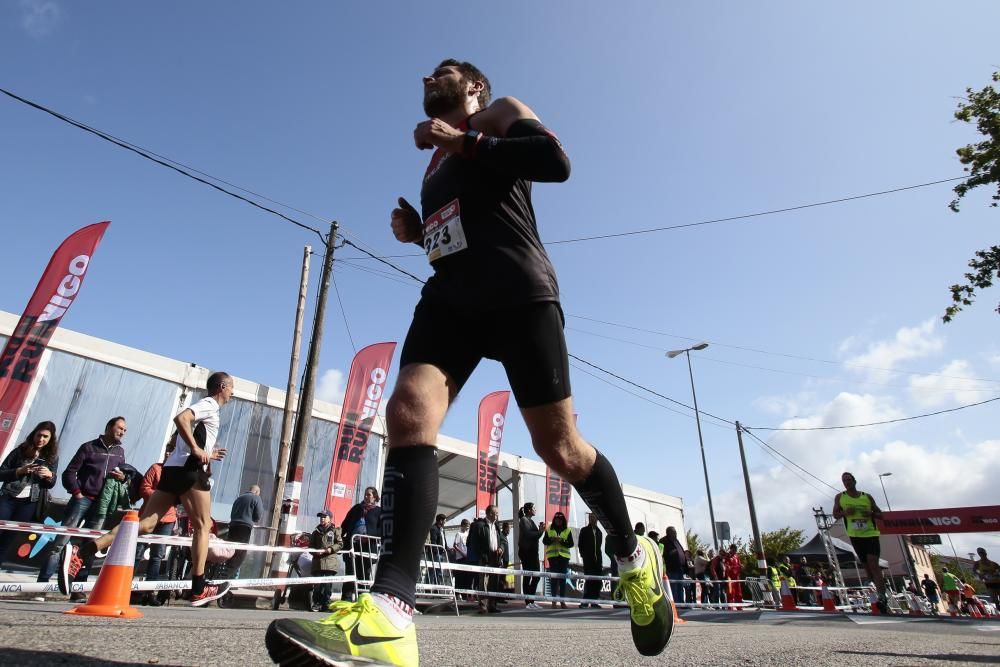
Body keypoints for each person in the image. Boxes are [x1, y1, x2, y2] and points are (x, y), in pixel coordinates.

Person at [266, 59, 673, 667]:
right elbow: (458, 228)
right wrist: (416, 232)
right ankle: (391, 616)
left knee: (559, 449)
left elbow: (554, 163)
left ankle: (633, 554)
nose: (428, 76)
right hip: (452, 299)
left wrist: (467, 140)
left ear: (474, 85)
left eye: (444, 70)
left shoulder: (500, 112)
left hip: (519, 292)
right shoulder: (433, 166)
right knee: (407, 410)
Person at [60, 372, 234, 607]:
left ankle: (80, 554)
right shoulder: (210, 404)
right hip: (189, 471)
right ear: (222, 387)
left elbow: (183, 438)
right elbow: (181, 418)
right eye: (231, 388)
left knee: (145, 525)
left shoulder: (208, 410)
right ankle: (198, 588)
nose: (233, 393)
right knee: (203, 526)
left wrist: (205, 452)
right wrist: (195, 450)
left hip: (172, 469)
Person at [39, 416, 127, 602]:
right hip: (83, 499)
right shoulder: (88, 447)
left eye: (124, 430)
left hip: (101, 504)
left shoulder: (120, 452)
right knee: (61, 541)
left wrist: (122, 477)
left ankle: (78, 587)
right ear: (109, 427)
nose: (122, 432)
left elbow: (123, 475)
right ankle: (42, 585)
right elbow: (70, 472)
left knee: (91, 546)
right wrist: (77, 492)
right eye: (119, 428)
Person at [0, 421, 59, 568]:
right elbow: (1, 473)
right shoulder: (20, 450)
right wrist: (19, 471)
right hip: (8, 497)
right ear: (34, 434)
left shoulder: (52, 457)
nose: (41, 439)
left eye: (46, 437)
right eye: (39, 435)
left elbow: (50, 484)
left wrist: (49, 476)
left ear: (51, 439)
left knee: (10, 537)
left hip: (30, 502)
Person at [833, 472, 888, 613]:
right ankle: (877, 591)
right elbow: (835, 514)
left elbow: (881, 515)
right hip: (855, 535)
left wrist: (871, 514)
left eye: (849, 480)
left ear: (854, 481)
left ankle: (882, 596)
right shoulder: (840, 497)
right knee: (867, 568)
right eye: (844, 480)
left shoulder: (866, 497)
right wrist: (845, 513)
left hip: (870, 534)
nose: (847, 482)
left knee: (873, 563)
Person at [133, 436, 178, 606]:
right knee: (137, 552)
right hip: (149, 515)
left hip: (168, 518)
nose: (169, 452)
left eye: (172, 449)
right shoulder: (155, 468)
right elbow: (144, 488)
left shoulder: (177, 474)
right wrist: (161, 497)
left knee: (157, 556)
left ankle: (149, 590)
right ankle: (127, 586)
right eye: (168, 448)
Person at [340, 486, 382, 603]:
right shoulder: (356, 509)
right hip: (353, 546)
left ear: (374, 497)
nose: (366, 497)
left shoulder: (379, 512)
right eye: (365, 494)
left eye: (369, 495)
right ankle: (346, 601)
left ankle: (362, 601)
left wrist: (369, 537)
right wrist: (340, 538)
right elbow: (345, 524)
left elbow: (382, 530)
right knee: (350, 573)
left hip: (367, 548)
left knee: (364, 574)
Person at [468, 504, 503, 614]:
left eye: (497, 513)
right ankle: (482, 606)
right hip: (484, 557)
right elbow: (472, 543)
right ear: (489, 514)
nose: (497, 515)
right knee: (483, 582)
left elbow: (502, 540)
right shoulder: (479, 525)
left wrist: (501, 548)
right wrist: (481, 555)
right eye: (495, 513)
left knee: (494, 582)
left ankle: (492, 605)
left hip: (495, 557)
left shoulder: (496, 526)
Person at [224, 484, 264, 578]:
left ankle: (224, 575)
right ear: (257, 492)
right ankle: (226, 579)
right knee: (240, 554)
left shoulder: (239, 498)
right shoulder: (256, 498)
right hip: (244, 528)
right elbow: (258, 516)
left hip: (233, 526)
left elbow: (232, 513)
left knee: (230, 551)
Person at [310, 510, 344, 612]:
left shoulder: (334, 530)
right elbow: (311, 546)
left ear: (330, 518)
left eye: (324, 517)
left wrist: (331, 549)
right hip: (318, 562)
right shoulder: (315, 532)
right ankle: (316, 603)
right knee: (317, 585)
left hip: (330, 562)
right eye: (321, 517)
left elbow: (340, 543)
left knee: (327, 585)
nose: (322, 519)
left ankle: (326, 604)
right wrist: (315, 552)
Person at [543, 511, 573, 609]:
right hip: (553, 557)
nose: (558, 521)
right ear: (554, 520)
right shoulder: (549, 529)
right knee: (554, 580)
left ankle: (562, 601)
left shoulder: (567, 530)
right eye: (556, 519)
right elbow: (544, 541)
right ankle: (554, 601)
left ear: (563, 520)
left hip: (564, 558)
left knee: (562, 580)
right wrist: (552, 539)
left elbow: (571, 544)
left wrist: (562, 541)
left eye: (560, 519)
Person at [517, 502, 544, 609]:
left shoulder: (530, 521)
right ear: (529, 510)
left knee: (536, 576)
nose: (535, 510)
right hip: (526, 552)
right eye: (534, 508)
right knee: (528, 576)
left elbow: (535, 535)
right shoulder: (524, 520)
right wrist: (541, 531)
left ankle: (531, 600)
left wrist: (540, 529)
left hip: (533, 552)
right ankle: (528, 602)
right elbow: (529, 535)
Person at [577, 512, 603, 608]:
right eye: (590, 517)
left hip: (598, 561)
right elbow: (580, 544)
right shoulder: (584, 530)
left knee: (597, 581)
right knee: (589, 581)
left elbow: (599, 546)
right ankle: (585, 601)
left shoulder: (599, 532)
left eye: (593, 517)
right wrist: (584, 555)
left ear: (597, 519)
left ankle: (594, 602)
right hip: (588, 560)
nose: (591, 519)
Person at [662, 526, 688, 605]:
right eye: (673, 532)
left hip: (680, 568)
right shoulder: (664, 541)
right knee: (673, 587)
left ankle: (681, 603)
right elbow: (662, 554)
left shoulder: (676, 540)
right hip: (671, 569)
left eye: (675, 532)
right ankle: (675, 604)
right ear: (668, 533)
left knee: (680, 587)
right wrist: (672, 553)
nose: (675, 534)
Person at [723, 544, 743, 609]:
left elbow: (739, 564)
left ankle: (739, 606)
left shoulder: (736, 556)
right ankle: (730, 607)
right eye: (733, 550)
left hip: (736, 576)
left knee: (738, 592)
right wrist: (732, 568)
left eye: (735, 550)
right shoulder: (727, 556)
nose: (734, 551)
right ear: (730, 549)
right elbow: (726, 566)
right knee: (731, 592)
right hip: (730, 577)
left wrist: (740, 566)